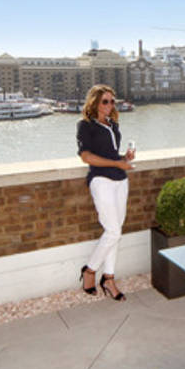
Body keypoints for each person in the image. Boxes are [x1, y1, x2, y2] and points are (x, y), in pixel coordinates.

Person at [77, 84, 134, 301]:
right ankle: (90, 271)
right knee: (113, 232)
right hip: (101, 181)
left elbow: (110, 153)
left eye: (112, 101)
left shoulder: (113, 124)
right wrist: (116, 163)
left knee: (115, 231)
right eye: (105, 101)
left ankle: (108, 278)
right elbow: (87, 157)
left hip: (120, 180)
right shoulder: (85, 126)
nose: (110, 105)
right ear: (94, 103)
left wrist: (124, 158)